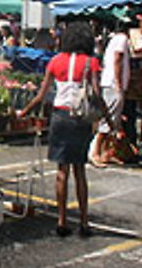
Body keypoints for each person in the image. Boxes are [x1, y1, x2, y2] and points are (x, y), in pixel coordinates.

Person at [18, 21, 112, 238]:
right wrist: (109, 119)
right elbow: (97, 94)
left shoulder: (55, 61)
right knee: (80, 171)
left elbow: (41, 96)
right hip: (81, 118)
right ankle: (84, 221)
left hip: (60, 116)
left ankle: (61, 220)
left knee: (62, 171)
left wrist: (24, 112)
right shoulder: (91, 62)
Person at [90, 19, 130, 167]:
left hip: (111, 83)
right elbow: (117, 59)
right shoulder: (122, 39)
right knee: (109, 120)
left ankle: (106, 152)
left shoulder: (114, 39)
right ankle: (95, 152)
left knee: (114, 121)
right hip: (113, 84)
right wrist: (119, 84)